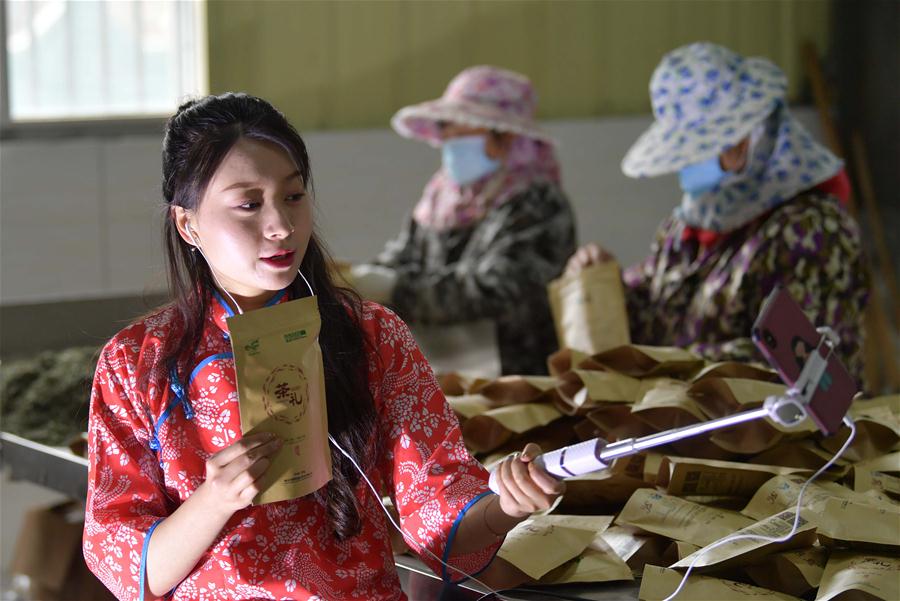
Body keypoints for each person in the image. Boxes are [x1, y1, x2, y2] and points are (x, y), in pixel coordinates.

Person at [82, 93, 564, 601]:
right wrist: (214, 499)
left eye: (293, 196)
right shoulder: (138, 362)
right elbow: (128, 567)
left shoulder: (373, 336)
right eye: (249, 204)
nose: (282, 227)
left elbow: (440, 519)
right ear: (189, 224)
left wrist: (507, 505)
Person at [566, 42, 868, 383]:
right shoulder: (687, 226)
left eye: (697, 152)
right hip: (697, 424)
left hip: (784, 434)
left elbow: (807, 366)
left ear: (743, 145)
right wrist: (607, 285)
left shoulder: (811, 231)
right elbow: (657, 312)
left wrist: (664, 365)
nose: (685, 167)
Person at [352, 66, 576, 376]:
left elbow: (499, 290)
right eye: (447, 129)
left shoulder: (536, 201)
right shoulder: (440, 198)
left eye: (465, 129)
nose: (450, 141)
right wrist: (360, 280)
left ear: (505, 135)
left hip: (515, 379)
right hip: (440, 370)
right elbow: (403, 256)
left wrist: (395, 288)